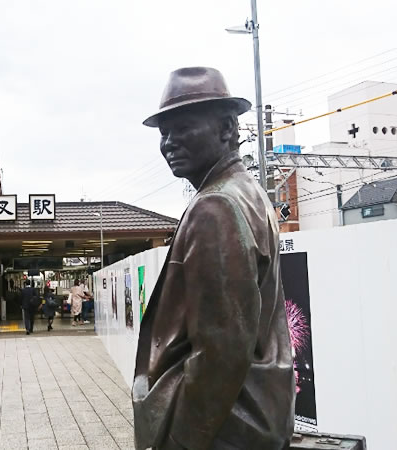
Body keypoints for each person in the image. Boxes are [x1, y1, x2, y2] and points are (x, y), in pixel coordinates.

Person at [133, 67, 294, 450]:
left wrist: (180, 439)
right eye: (164, 133)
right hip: (258, 411)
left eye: (183, 128)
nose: (169, 142)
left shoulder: (215, 206)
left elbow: (220, 351)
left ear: (226, 129)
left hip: (228, 425)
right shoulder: (247, 192)